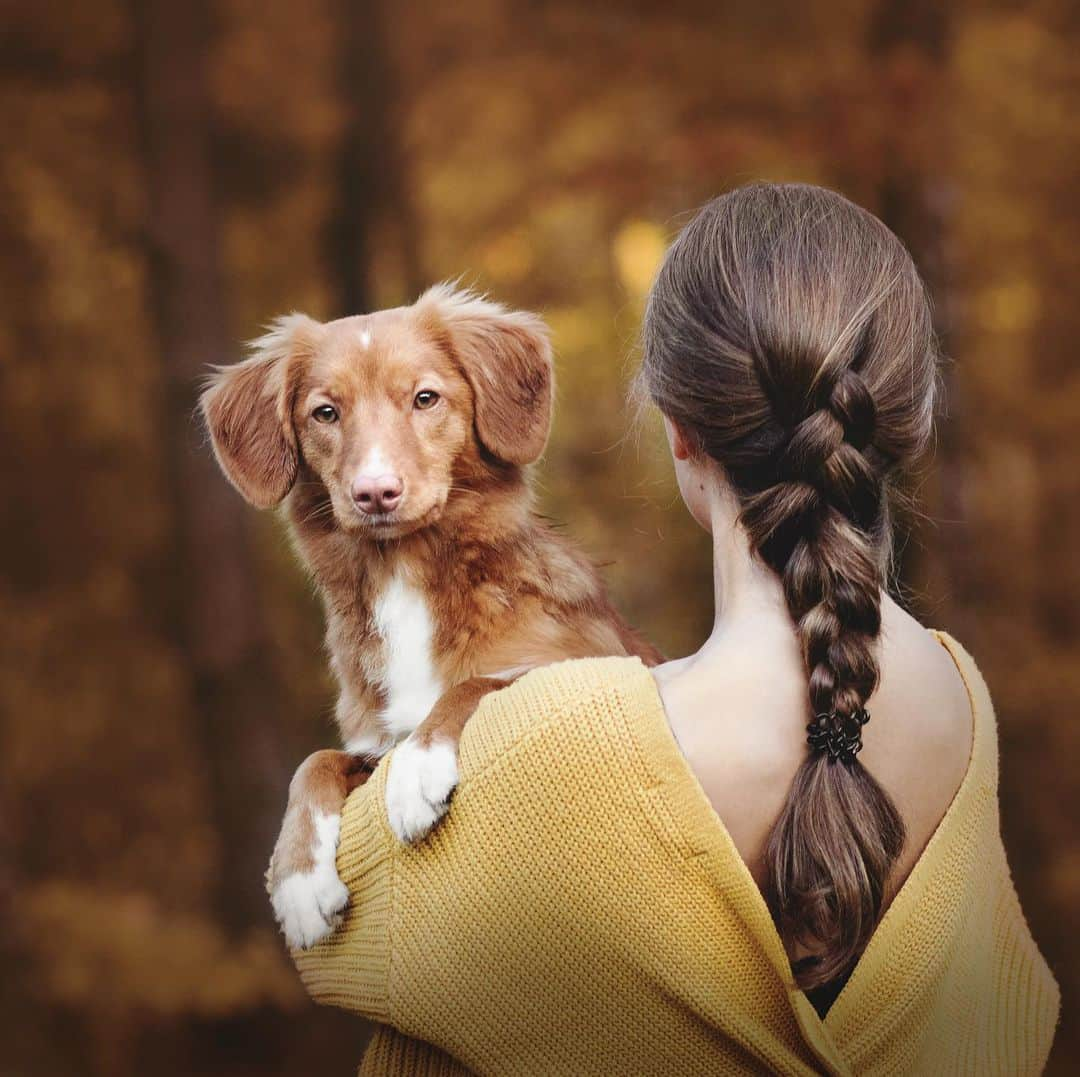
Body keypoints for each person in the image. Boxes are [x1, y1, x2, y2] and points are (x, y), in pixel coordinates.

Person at [292, 183, 1060, 1075]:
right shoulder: (964, 703)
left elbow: (337, 931)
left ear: (678, 430)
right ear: (909, 420)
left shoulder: (544, 743)